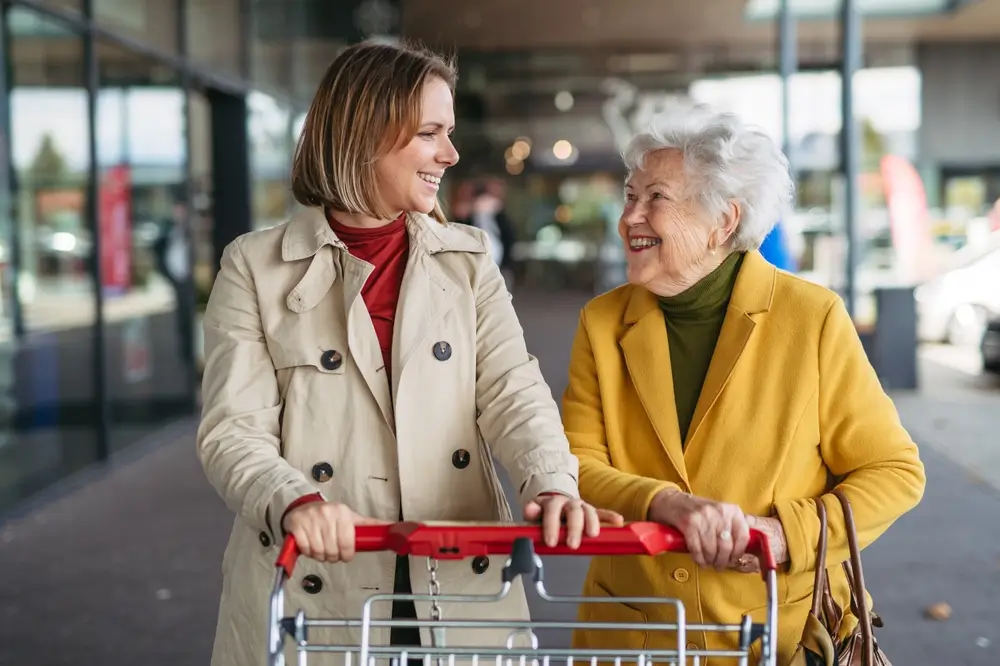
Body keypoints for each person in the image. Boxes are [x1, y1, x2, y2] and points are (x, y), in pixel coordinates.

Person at [197, 40, 620, 666]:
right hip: (315, 584)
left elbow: (512, 390)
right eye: (430, 134)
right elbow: (233, 430)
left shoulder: (470, 258)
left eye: (448, 133)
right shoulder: (254, 267)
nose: (449, 154)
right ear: (365, 133)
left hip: (459, 581)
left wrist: (551, 484)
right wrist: (293, 499)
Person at [562, 103, 926, 665]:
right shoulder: (602, 322)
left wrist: (786, 536)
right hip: (635, 633)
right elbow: (576, 465)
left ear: (724, 220)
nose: (630, 217)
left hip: (779, 632)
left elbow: (895, 471)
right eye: (630, 196)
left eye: (655, 198)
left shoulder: (812, 318)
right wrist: (664, 503)